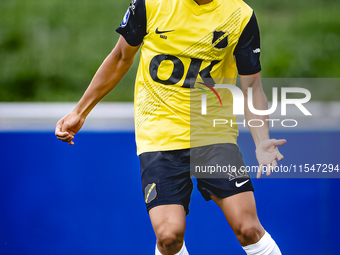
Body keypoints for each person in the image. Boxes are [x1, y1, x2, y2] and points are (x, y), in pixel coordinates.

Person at [55, 0, 286, 254]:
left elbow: (252, 87)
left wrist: (262, 139)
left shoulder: (240, 15)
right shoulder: (150, 4)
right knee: (168, 236)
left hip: (212, 135)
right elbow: (121, 56)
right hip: (159, 133)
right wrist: (80, 111)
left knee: (248, 228)